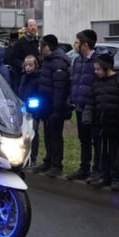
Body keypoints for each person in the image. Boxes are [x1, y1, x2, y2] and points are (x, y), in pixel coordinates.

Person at [84, 53, 119, 190]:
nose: (96, 72)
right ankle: (104, 175)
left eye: (98, 69)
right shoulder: (96, 83)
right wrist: (88, 116)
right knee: (101, 151)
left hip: (115, 123)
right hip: (100, 123)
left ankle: (116, 177)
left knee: (114, 151)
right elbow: (91, 102)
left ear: (107, 67)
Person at [66, 29, 101, 182]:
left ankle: (97, 169)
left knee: (95, 139)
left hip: (92, 107)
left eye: (77, 42)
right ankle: (84, 167)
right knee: (83, 139)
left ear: (85, 45)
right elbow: (75, 80)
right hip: (80, 106)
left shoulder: (97, 60)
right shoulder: (78, 60)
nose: (75, 45)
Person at [36, 35, 71, 177]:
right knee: (48, 134)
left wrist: (57, 109)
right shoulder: (48, 61)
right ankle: (48, 160)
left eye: (41, 45)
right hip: (46, 105)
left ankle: (56, 164)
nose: (39, 48)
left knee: (55, 135)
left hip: (55, 106)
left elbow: (60, 88)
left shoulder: (58, 62)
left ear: (47, 46)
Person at [16, 55, 42, 167]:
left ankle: (33, 157)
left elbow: (39, 95)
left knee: (33, 134)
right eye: (26, 65)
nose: (28, 67)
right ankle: (24, 156)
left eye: (30, 65)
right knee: (23, 134)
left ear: (35, 66)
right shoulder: (23, 78)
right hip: (23, 109)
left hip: (33, 111)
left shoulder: (38, 79)